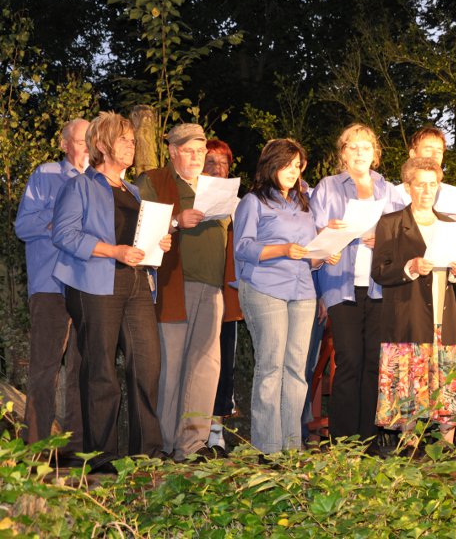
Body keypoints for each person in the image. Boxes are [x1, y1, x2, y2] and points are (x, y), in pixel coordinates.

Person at [51, 112, 170, 470]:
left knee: (147, 365)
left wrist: (158, 242)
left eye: (133, 140)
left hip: (136, 282)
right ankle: (102, 455)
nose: (131, 146)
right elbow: (64, 235)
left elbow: (137, 240)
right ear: (101, 145)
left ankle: (146, 451)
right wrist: (113, 250)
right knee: (101, 368)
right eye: (123, 140)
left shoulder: (133, 190)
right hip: (94, 283)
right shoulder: (79, 186)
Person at [234, 138, 339, 453]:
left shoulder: (302, 204)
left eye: (297, 166)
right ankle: (268, 448)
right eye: (287, 164)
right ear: (271, 164)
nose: (293, 171)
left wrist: (325, 250)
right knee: (271, 367)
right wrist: (282, 249)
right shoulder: (253, 201)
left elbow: (308, 253)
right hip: (265, 287)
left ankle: (292, 447)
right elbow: (242, 247)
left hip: (303, 290)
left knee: (296, 370)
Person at [136, 123, 231, 461]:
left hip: (213, 288)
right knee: (171, 367)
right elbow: (139, 230)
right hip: (173, 285)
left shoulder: (216, 187)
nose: (196, 156)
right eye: (188, 150)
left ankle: (191, 446)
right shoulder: (155, 181)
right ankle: (161, 445)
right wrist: (176, 221)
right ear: (173, 152)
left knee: (206, 368)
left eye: (200, 150)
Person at [310, 123, 404, 443]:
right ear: (343, 154)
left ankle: (368, 440)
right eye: (352, 146)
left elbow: (402, 237)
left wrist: (385, 240)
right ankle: (343, 441)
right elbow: (314, 237)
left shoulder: (389, 190)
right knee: (349, 360)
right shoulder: (328, 187)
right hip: (340, 284)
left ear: (375, 154)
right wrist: (331, 233)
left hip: (379, 288)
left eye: (366, 147)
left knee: (374, 363)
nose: (360, 152)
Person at [372, 157, 456, 449]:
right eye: (420, 184)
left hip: (444, 314)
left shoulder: (451, 224)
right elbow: (379, 271)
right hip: (408, 316)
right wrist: (410, 267)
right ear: (408, 187)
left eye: (433, 184)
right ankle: (410, 444)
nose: (427, 190)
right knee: (409, 380)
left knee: (446, 379)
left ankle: (446, 445)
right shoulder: (391, 223)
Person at [15, 118, 89, 459]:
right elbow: (23, 226)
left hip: (88, 286)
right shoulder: (45, 175)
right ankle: (37, 451)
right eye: (81, 140)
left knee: (81, 368)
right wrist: (58, 219)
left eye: (92, 140)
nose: (88, 146)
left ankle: (75, 451)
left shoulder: (98, 181)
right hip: (50, 285)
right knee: (45, 368)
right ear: (64, 144)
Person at [202, 139, 244, 450]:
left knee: (222, 366)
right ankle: (191, 432)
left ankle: (216, 434)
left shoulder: (238, 204)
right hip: (194, 292)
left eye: (224, 163)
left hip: (227, 297)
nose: (219, 169)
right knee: (196, 364)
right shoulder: (190, 199)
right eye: (212, 162)